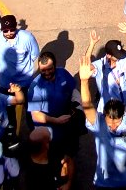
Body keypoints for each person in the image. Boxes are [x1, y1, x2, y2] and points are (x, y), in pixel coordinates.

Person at [78, 50, 126, 188]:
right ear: (103, 115)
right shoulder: (99, 123)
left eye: (117, 122)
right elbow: (87, 105)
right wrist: (83, 82)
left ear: (124, 115)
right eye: (109, 122)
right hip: (107, 183)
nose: (113, 126)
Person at [28, 51, 80, 187]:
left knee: (68, 157)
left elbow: (73, 90)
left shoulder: (63, 73)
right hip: (49, 134)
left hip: (67, 126)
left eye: (49, 69)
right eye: (43, 70)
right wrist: (56, 121)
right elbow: (35, 114)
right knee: (53, 164)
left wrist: (78, 106)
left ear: (55, 66)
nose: (46, 73)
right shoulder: (36, 86)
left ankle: (67, 184)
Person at [84, 24, 126, 113]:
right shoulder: (100, 65)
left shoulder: (123, 58)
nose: (120, 57)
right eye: (117, 56)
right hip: (108, 111)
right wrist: (92, 44)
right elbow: (85, 66)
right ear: (108, 55)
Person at [0, 14, 40, 92]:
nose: (9, 33)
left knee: (26, 103)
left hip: (24, 83)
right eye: (5, 31)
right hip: (6, 83)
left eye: (12, 29)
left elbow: (34, 54)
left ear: (16, 27)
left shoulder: (27, 38)